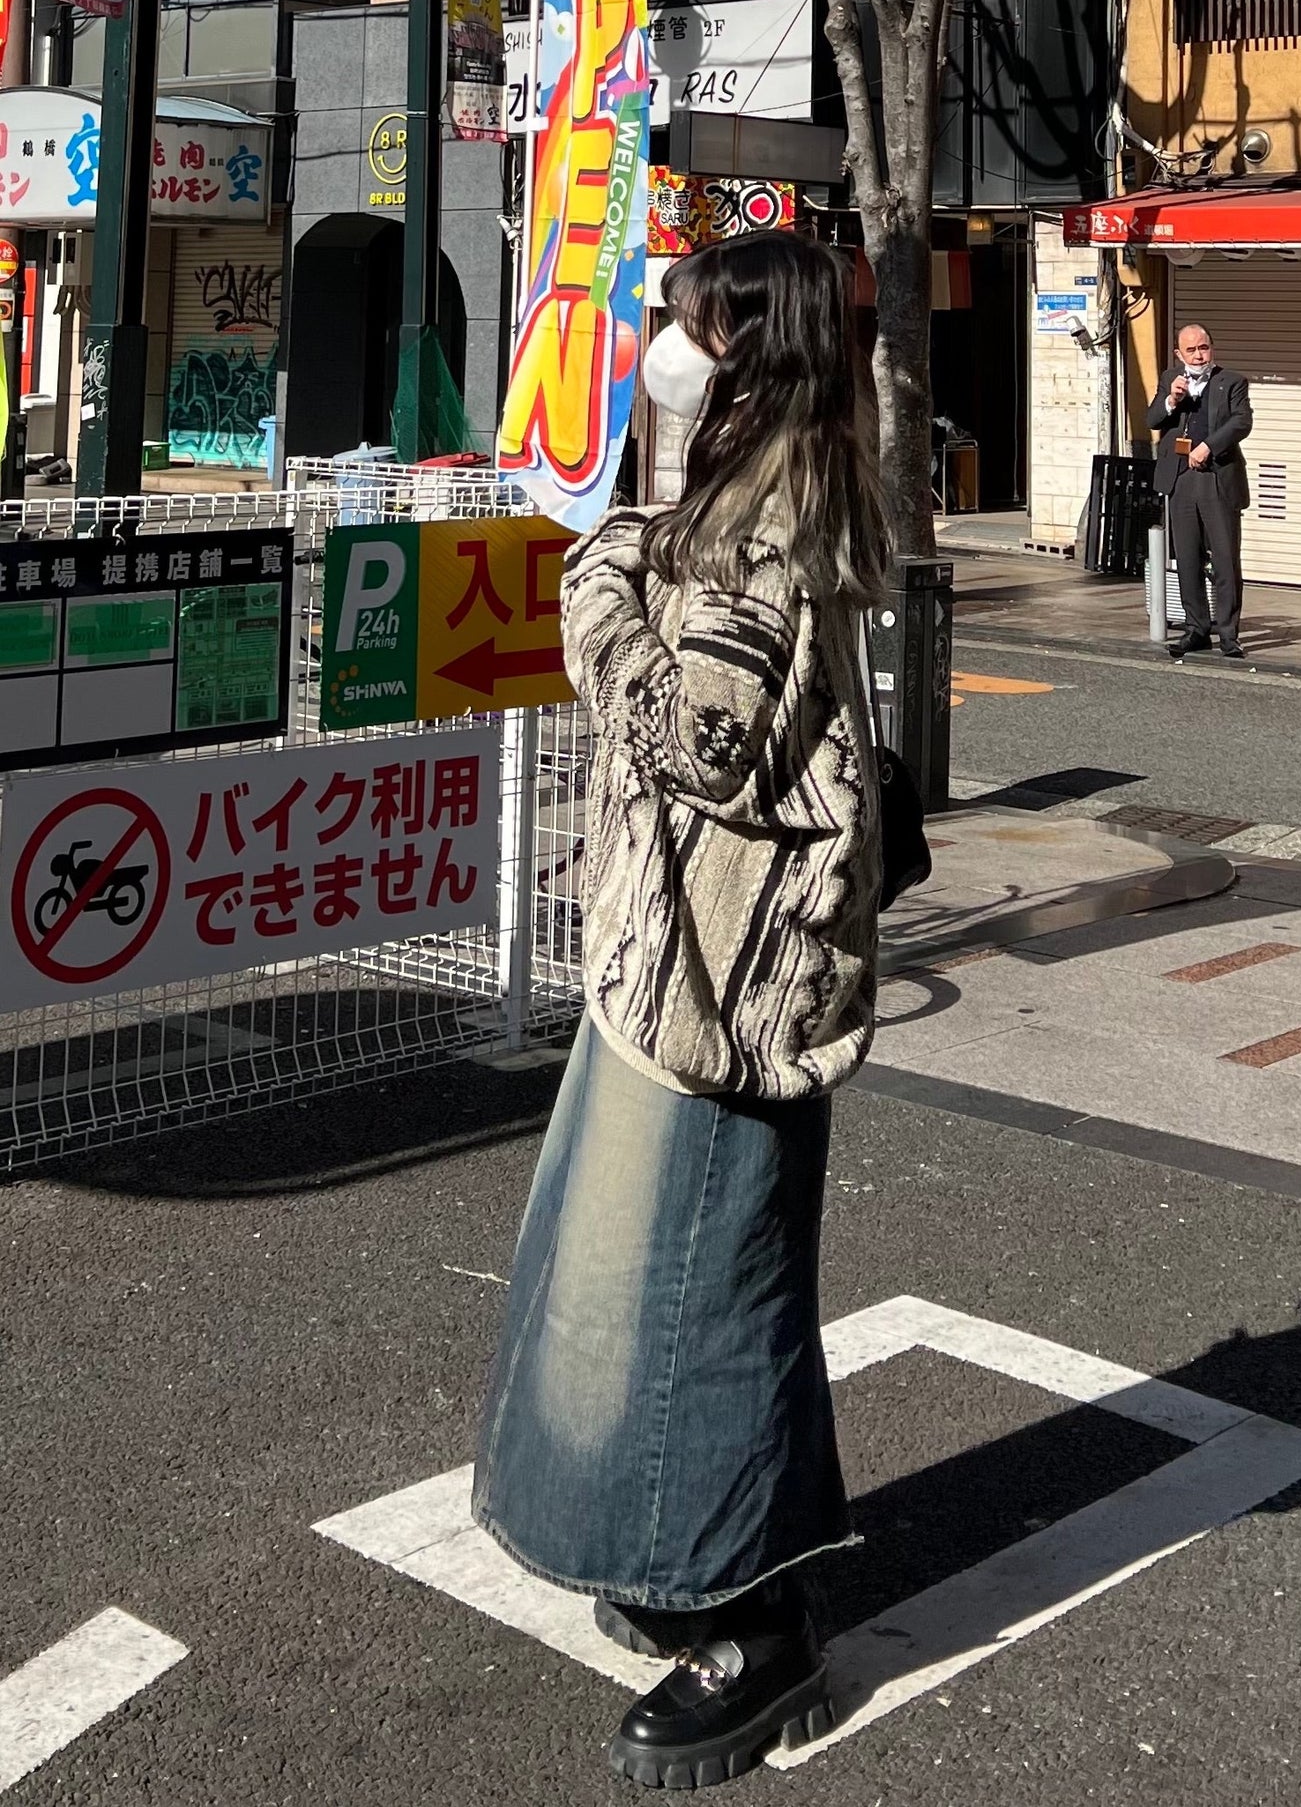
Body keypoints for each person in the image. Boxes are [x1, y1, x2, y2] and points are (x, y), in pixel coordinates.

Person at [472, 230, 889, 1790]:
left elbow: (703, 736)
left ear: (745, 348)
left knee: (707, 1301)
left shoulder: (760, 518)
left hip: (722, 982)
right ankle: (682, 1551)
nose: (664, 341)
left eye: (687, 322)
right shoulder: (757, 487)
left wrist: (596, 575)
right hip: (687, 961)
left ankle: (757, 1625)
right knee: (665, 1284)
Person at [1147, 323, 1254, 659]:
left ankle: (1228, 633)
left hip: (1216, 476)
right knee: (1188, 559)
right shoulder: (1170, 379)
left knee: (1224, 558)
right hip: (1179, 477)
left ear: (1212, 348)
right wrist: (1171, 399)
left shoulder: (1232, 382)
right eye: (1191, 350)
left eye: (1203, 348)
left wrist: (1208, 446)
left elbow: (1241, 422)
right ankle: (1196, 629)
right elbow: (1152, 419)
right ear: (1179, 354)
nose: (1198, 355)